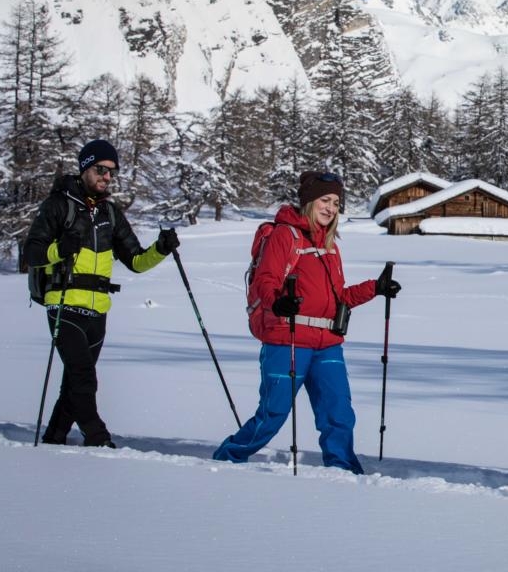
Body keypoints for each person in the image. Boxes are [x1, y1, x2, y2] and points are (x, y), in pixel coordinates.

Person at [213, 170, 401, 472]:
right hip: (288, 338)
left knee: (338, 412)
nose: (330, 208)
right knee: (273, 413)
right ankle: (228, 458)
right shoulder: (284, 236)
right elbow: (266, 280)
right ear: (308, 201)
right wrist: (278, 301)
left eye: (336, 203)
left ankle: (342, 471)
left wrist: (376, 288)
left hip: (327, 342)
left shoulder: (329, 246)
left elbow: (338, 297)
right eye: (324, 200)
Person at [24, 139, 180, 447]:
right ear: (85, 169)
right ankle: (97, 437)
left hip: (98, 310)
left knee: (74, 382)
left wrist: (161, 249)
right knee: (83, 376)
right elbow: (33, 253)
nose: (106, 177)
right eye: (101, 170)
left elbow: (135, 261)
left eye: (111, 172)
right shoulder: (59, 204)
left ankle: (55, 438)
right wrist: (60, 249)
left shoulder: (110, 212)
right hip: (64, 303)